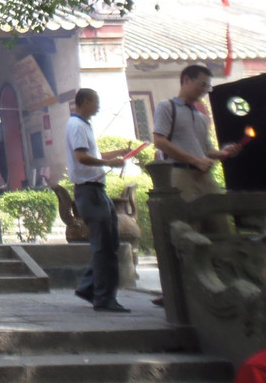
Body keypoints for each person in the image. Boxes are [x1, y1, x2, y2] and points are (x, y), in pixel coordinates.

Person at [152, 64, 242, 235]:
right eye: (202, 84)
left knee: (220, 226)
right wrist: (195, 160)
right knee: (190, 228)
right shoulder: (167, 107)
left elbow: (206, 149)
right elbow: (159, 141)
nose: (205, 90)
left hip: (205, 177)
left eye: (208, 86)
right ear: (186, 80)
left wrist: (224, 152)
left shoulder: (201, 117)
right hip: (181, 175)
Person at [65, 88, 131, 313]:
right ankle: (103, 297)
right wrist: (110, 165)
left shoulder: (84, 126)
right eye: (96, 102)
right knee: (104, 245)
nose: (98, 107)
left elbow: (93, 155)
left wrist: (116, 155)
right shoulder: (76, 126)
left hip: (96, 190)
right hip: (89, 191)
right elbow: (81, 157)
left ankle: (89, 287)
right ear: (85, 101)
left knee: (110, 243)